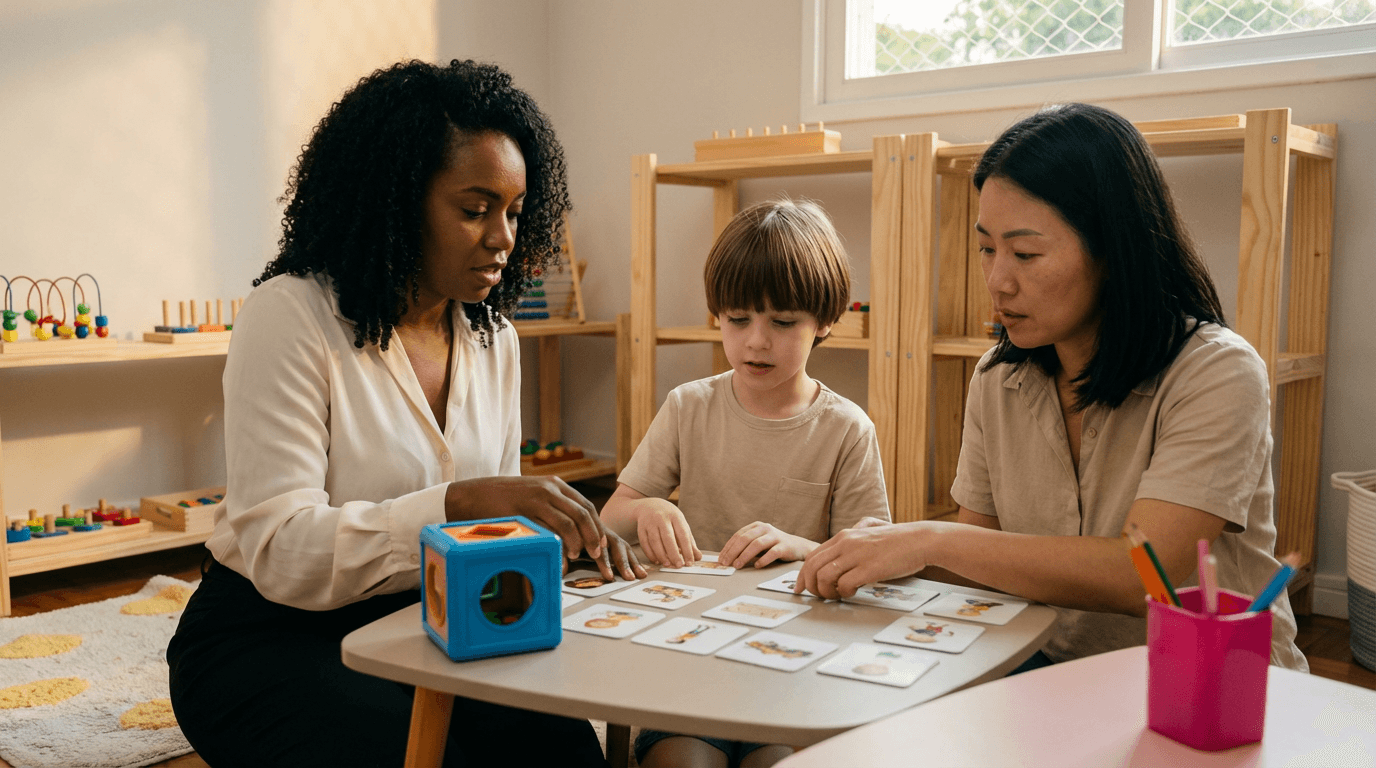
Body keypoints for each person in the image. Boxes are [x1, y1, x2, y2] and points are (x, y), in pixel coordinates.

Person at [166, 59, 645, 768]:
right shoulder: (292, 317)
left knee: (565, 752)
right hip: (268, 634)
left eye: (514, 212)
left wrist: (567, 548)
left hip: (439, 622)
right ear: (395, 199)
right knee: (404, 752)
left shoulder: (494, 339)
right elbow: (280, 551)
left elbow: (500, 533)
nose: (502, 237)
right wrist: (459, 501)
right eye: (474, 209)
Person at [797, 102, 1307, 672]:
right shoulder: (998, 377)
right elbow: (981, 557)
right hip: (1053, 670)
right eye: (987, 248)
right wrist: (832, 550)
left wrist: (926, 539)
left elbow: (1144, 574)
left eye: (1026, 253)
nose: (997, 280)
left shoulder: (1216, 371)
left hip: (1211, 683)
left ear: (1113, 250)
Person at [601, 198, 892, 768]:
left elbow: (877, 563)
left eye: (782, 322)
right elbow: (610, 517)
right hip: (691, 655)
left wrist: (805, 548)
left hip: (795, 663)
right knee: (682, 761)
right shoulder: (688, 406)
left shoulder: (846, 428)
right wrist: (647, 508)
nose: (756, 341)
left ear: (825, 322)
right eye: (738, 320)